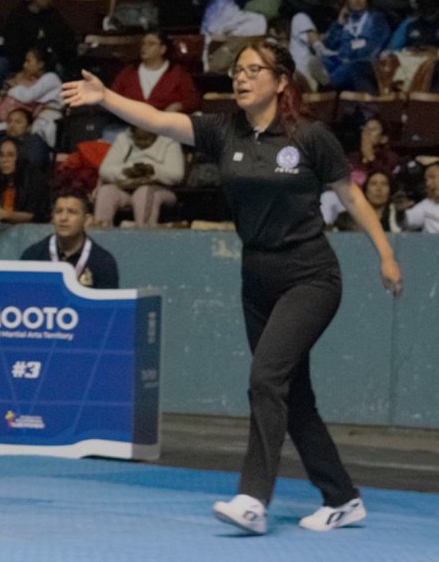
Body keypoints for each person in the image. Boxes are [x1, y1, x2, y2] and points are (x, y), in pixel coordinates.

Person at [62, 38, 404, 534]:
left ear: (281, 81)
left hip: (310, 275)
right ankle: (343, 497)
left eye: (253, 70)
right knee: (294, 396)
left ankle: (252, 498)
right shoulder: (223, 131)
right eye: (237, 71)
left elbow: (350, 197)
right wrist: (106, 98)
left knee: (266, 378)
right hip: (256, 277)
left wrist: (387, 255)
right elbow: (158, 120)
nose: (240, 78)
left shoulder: (310, 138)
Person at [304, 0, 393, 92]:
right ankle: (330, 84)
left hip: (368, 63)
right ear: (347, 1)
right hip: (342, 61)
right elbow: (327, 46)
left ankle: (330, 84)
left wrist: (346, 54)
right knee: (320, 61)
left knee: (350, 67)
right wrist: (339, 24)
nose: (357, 0)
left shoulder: (376, 19)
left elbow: (372, 48)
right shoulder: (345, 20)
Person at [21, 190, 119, 287]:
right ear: (53, 218)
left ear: (87, 220)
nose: (63, 218)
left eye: (72, 212)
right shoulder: (33, 256)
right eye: (58, 211)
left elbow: (108, 302)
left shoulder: (103, 262)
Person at [94, 126, 185, 227]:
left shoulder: (169, 141)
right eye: (138, 139)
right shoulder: (123, 138)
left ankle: (143, 233)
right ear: (132, 134)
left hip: (159, 190)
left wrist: (151, 170)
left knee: (143, 193)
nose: (142, 143)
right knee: (106, 191)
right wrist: (126, 171)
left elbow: (176, 175)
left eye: (146, 139)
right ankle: (101, 233)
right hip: (127, 187)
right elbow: (104, 170)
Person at [109, 31, 201, 114]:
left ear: (162, 49)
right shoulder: (129, 72)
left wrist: (178, 106)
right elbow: (112, 97)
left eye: (151, 44)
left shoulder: (177, 73)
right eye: (143, 44)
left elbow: (193, 100)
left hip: (165, 124)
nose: (145, 47)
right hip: (131, 122)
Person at [401, 162, 439, 233]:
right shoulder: (426, 205)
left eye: (432, 177)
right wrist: (400, 212)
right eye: (426, 180)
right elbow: (406, 223)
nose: (428, 183)